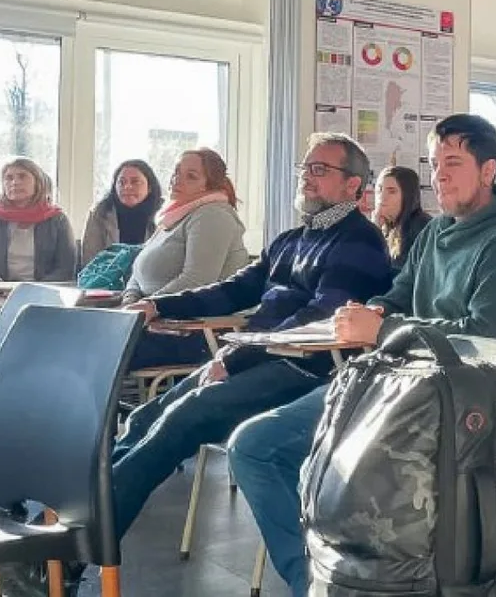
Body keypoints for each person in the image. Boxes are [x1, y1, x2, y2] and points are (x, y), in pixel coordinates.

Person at [227, 114, 496, 597]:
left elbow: (486, 339)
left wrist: (384, 328)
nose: (438, 175)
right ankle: (313, 581)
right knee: (252, 445)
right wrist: (375, 310)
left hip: (457, 408)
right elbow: (398, 296)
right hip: (397, 382)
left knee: (277, 451)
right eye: (436, 163)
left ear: (488, 171)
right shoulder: (438, 232)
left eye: (454, 163)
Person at [97, 135, 390, 560]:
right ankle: (84, 525)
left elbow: (319, 320)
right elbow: (232, 291)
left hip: (309, 370)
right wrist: (157, 304)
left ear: (354, 186)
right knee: (145, 415)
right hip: (255, 357)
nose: (307, 178)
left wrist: (234, 358)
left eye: (320, 170)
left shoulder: (360, 243)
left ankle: (77, 555)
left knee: (184, 415)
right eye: (305, 168)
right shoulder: (291, 239)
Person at [122, 148, 251, 370]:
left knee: (95, 347)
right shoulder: (174, 216)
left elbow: (197, 280)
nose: (177, 180)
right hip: (152, 322)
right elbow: (137, 270)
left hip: (193, 331)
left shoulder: (213, 214)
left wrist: (150, 307)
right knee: (84, 339)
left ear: (209, 185)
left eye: (191, 176)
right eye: (176, 172)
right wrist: (130, 302)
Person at [0, 157, 76, 282]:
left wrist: (35, 290)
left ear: (37, 182)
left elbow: (66, 269)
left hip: (43, 291)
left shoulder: (57, 220)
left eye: (22, 176)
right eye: (9, 178)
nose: (15, 182)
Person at [82, 159, 162, 265]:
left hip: (151, 279)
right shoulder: (100, 213)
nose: (127, 187)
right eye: (121, 182)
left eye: (135, 182)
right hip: (107, 278)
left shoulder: (164, 214)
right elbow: (91, 261)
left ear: (150, 187)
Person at [371, 165, 432, 271]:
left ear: (407, 196)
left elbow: (394, 276)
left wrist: (374, 233)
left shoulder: (421, 228)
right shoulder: (390, 226)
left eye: (392, 191)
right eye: (379, 190)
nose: (382, 197)